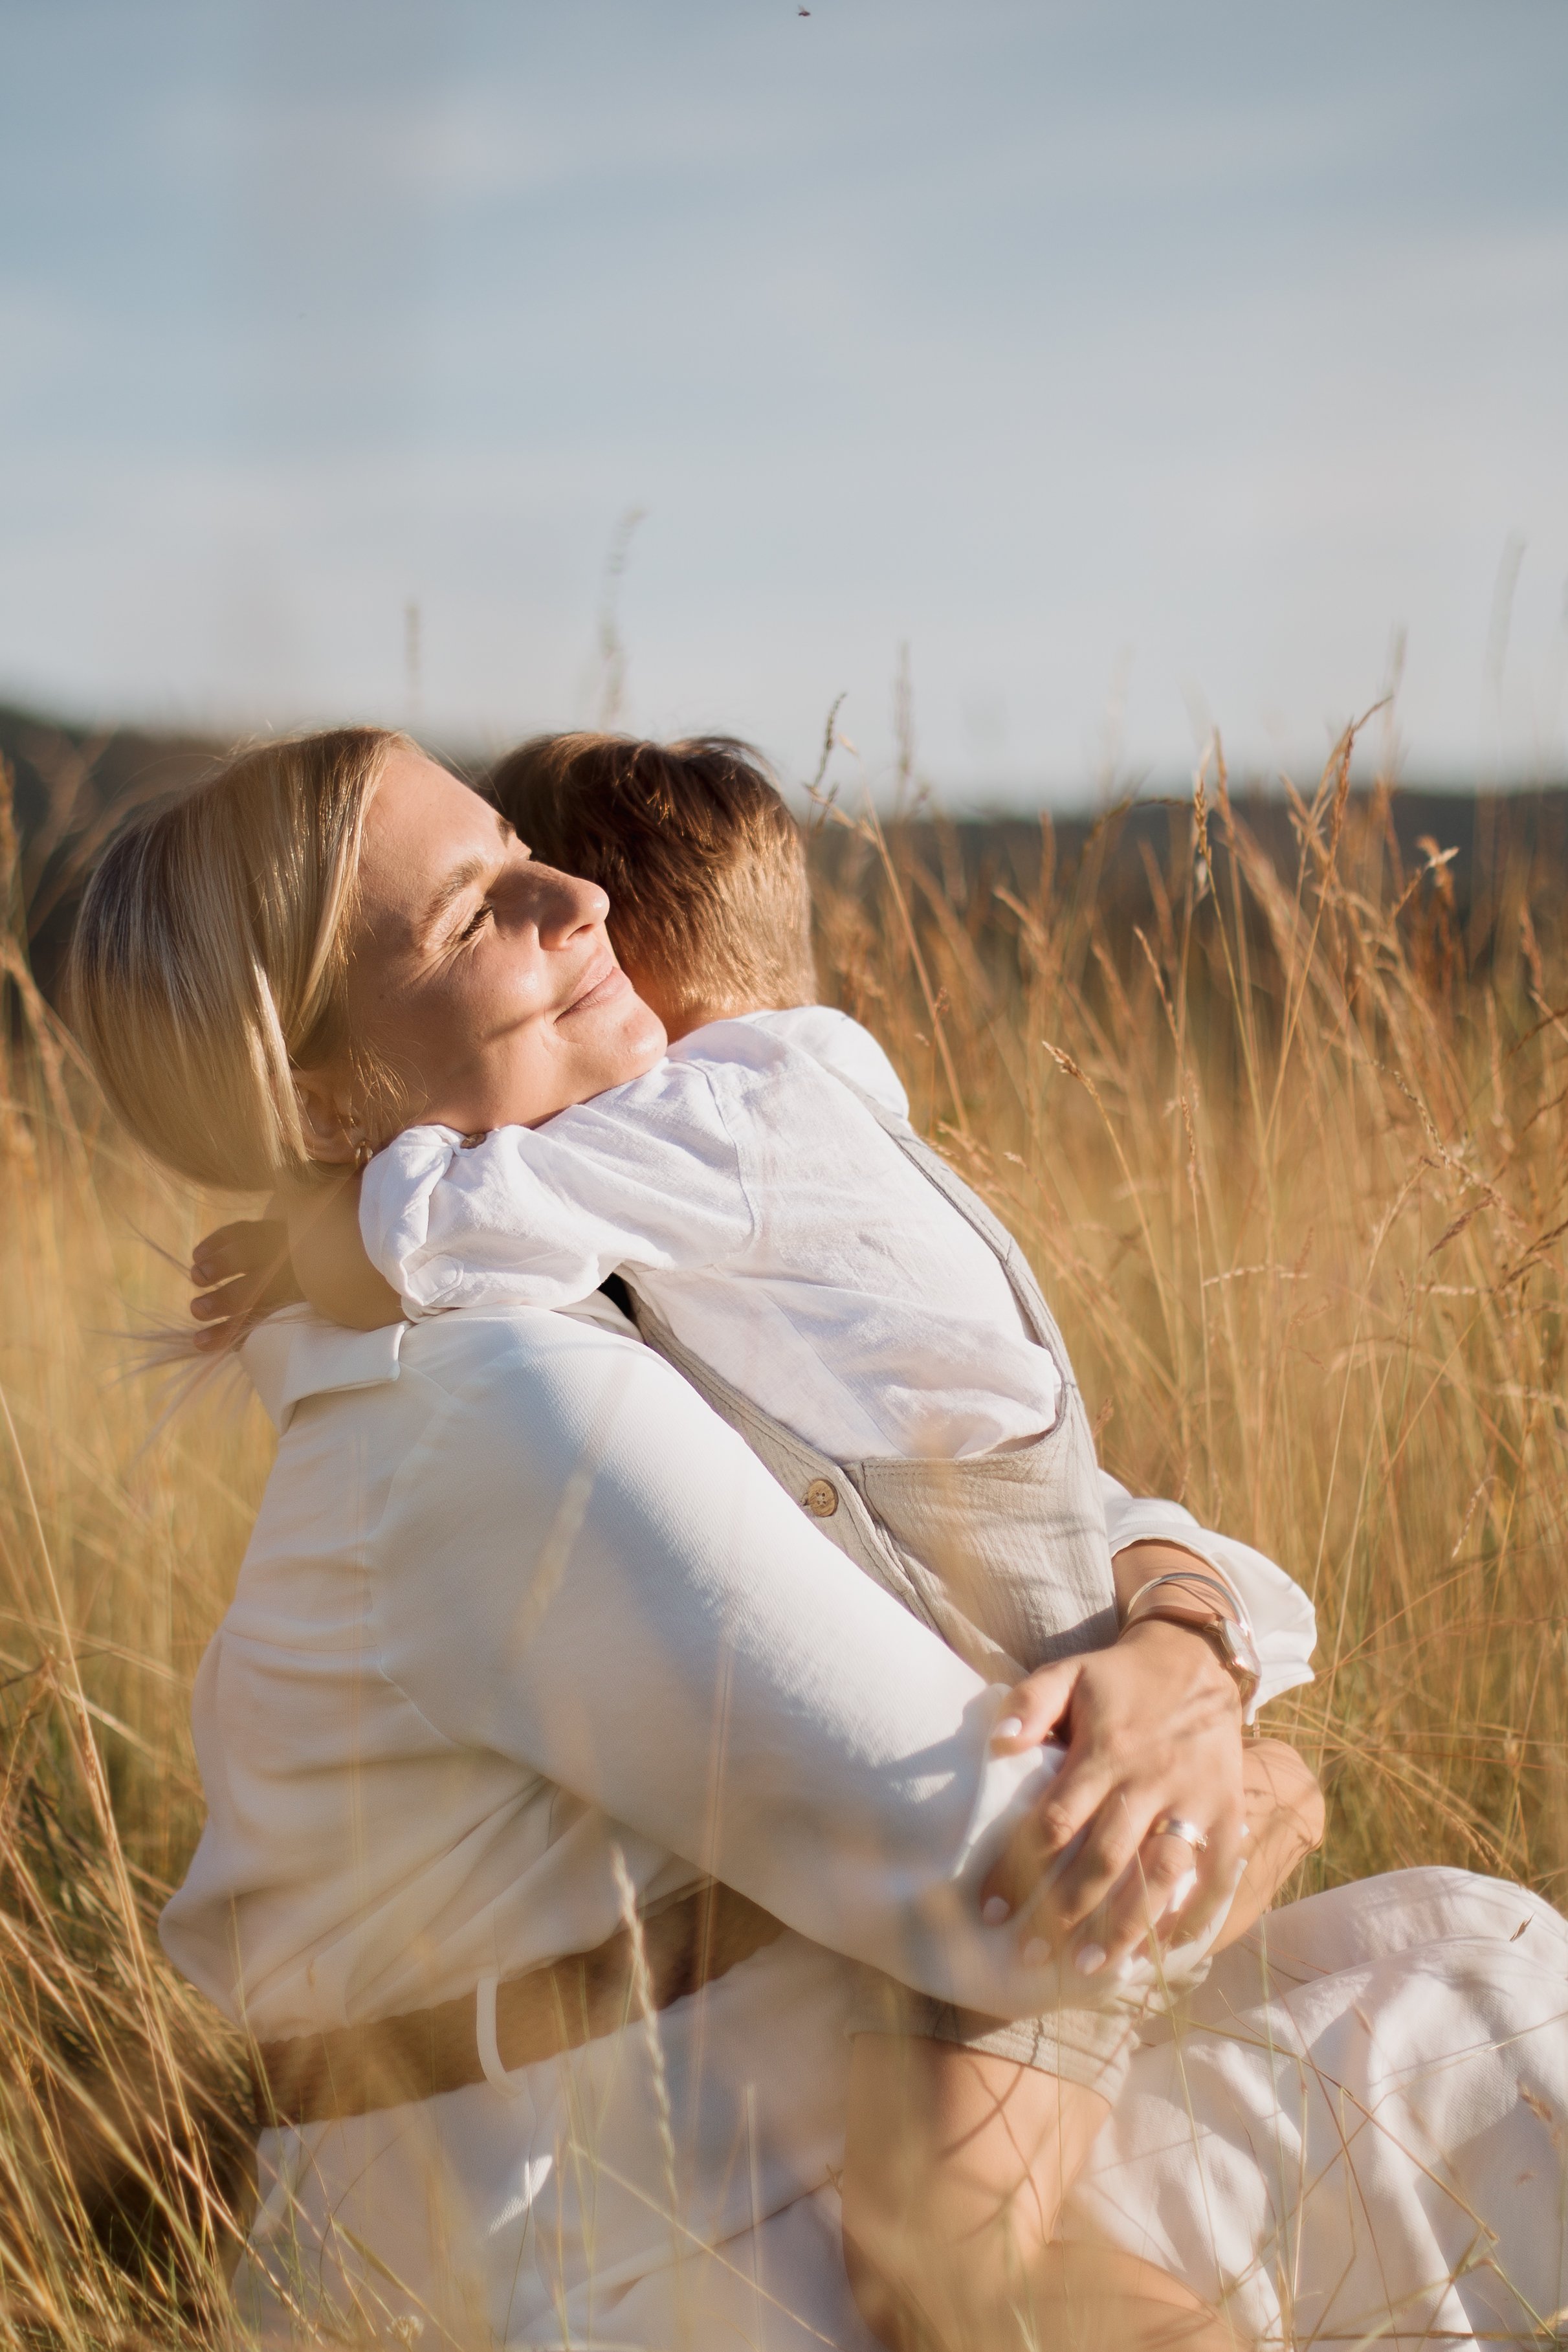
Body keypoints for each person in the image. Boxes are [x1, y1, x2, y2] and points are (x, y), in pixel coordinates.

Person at [71, 727, 1568, 2351]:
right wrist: (1266, 1783)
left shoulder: (581, 1289)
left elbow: (1088, 1531)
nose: (575, 895)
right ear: (302, 1088)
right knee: (1499, 2026)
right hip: (597, 2253)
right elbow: (1018, 1876)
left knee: (1466, 1949)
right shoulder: (486, 1398)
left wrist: (1184, 1647)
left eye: (524, 847)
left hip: (743, 2143)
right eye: (468, 913)